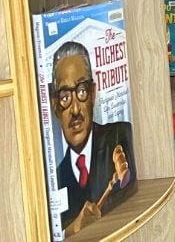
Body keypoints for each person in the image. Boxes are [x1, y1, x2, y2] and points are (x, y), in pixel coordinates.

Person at [51, 41, 136, 235]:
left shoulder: (119, 136)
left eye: (81, 91)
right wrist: (74, 229)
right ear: (55, 106)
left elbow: (129, 196)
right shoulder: (55, 177)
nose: (74, 109)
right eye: (65, 97)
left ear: (93, 94)